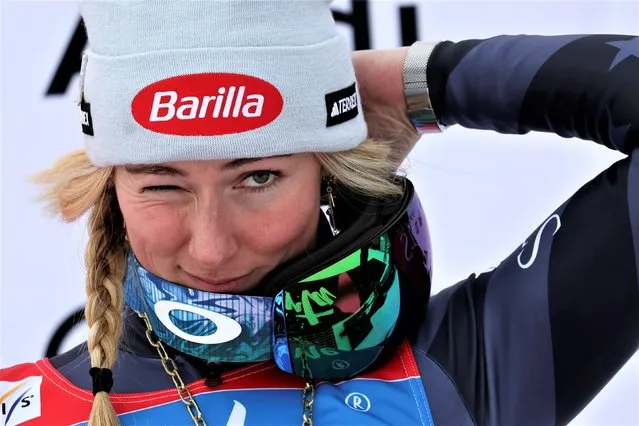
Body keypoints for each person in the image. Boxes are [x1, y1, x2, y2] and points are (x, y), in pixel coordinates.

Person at [1, 1, 637, 425]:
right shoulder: (20, 406)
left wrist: (412, 87)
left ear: (328, 177)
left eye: (259, 176)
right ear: (109, 190)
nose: (212, 248)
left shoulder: (455, 372)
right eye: (162, 185)